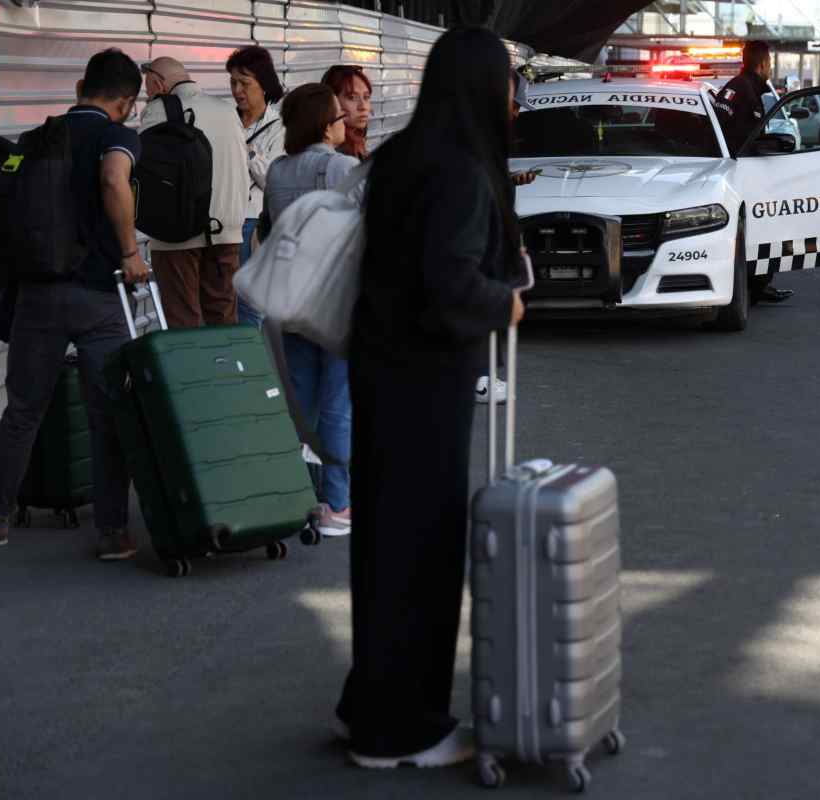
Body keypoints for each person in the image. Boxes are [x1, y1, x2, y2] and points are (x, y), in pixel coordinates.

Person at [337, 26, 526, 768]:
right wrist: (505, 302)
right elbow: (449, 284)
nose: (512, 100)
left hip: (383, 373)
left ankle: (371, 706)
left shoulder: (401, 155)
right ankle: (400, 731)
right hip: (423, 386)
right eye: (507, 84)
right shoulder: (461, 170)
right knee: (422, 552)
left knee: (387, 548)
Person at [0, 49, 146, 558]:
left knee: (22, 411)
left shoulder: (36, 140)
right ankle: (112, 532)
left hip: (38, 294)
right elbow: (114, 178)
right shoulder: (117, 136)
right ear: (126, 103)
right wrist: (130, 252)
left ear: (79, 88)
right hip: (98, 298)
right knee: (108, 414)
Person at [261, 83, 359, 538]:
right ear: (325, 124)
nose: (345, 121)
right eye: (340, 115)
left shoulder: (278, 170)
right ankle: (337, 503)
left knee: (302, 403)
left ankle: (303, 495)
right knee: (338, 403)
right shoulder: (343, 167)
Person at [140, 57, 249, 327]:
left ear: (158, 83)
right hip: (226, 233)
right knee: (223, 319)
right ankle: (228, 357)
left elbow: (148, 173)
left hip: (177, 237)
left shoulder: (159, 110)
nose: (147, 94)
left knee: (183, 321)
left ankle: (192, 358)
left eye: (148, 87)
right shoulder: (227, 111)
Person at [711, 41, 794, 305]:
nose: (770, 68)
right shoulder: (739, 88)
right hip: (737, 174)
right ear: (762, 64)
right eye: (770, 63)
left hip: (749, 172)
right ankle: (754, 286)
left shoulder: (750, 89)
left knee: (760, 230)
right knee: (757, 231)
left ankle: (758, 285)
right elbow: (718, 124)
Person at [477, 68, 536, 406]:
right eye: (513, 105)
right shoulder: (477, 142)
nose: (515, 113)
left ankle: (483, 375)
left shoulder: (487, 143)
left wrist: (511, 180)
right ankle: (481, 378)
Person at [227, 45, 285, 325]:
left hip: (252, 223)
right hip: (223, 223)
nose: (237, 90)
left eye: (244, 83)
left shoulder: (280, 127)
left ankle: (255, 352)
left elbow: (271, 179)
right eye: (233, 82)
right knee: (224, 301)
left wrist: (247, 151)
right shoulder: (227, 121)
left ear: (263, 84)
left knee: (250, 305)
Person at [321, 65, 372, 160]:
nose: (363, 107)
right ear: (333, 101)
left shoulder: (358, 143)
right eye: (352, 97)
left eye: (366, 97)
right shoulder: (337, 154)